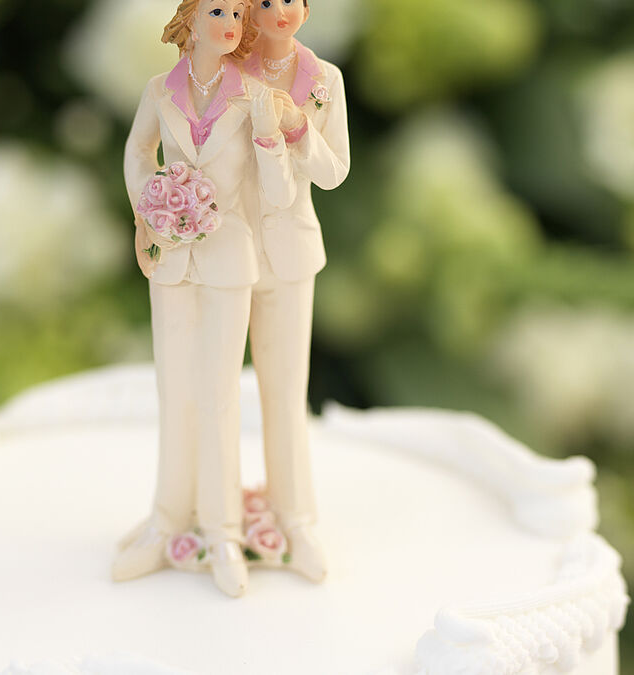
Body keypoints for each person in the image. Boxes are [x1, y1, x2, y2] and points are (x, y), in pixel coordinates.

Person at [115, 0, 297, 598]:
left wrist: (271, 139)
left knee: (220, 396)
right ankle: (167, 519)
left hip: (227, 256)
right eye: (217, 9)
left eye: (241, 15)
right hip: (169, 255)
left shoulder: (253, 97)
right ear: (189, 18)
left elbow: (274, 192)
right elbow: (139, 154)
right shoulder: (158, 89)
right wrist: (156, 197)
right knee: (174, 391)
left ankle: (220, 530)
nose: (231, 23)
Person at [242, 0, 351, 583]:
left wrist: (297, 129)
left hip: (290, 252)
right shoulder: (225, 68)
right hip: (224, 250)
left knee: (285, 392)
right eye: (262, 1)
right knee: (210, 391)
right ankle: (210, 515)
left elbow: (334, 171)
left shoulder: (324, 79)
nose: (279, 10)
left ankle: (296, 518)